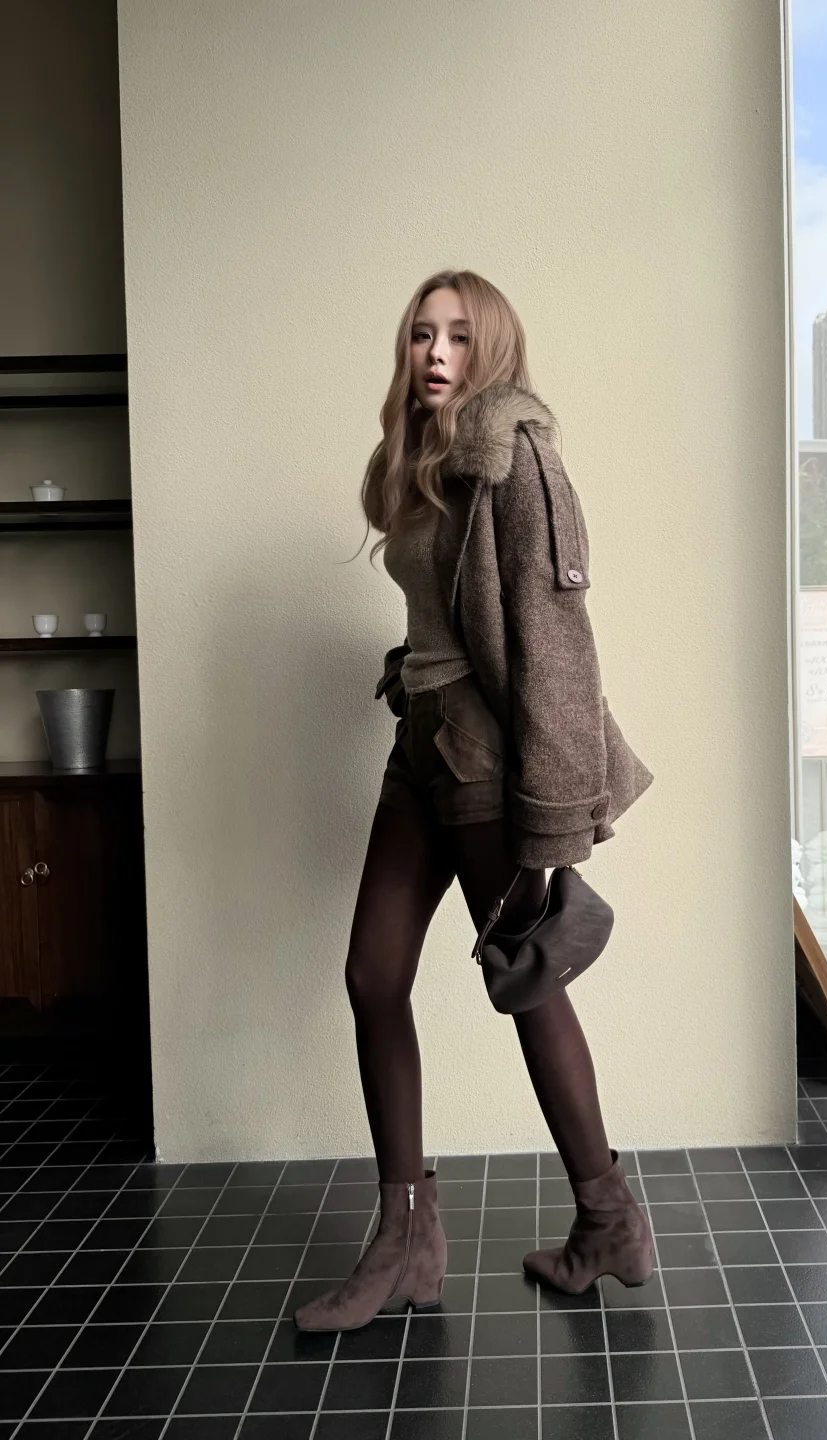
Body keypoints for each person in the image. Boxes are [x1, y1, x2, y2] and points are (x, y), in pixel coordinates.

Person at [294, 269, 655, 1332]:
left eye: (457, 335)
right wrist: (410, 670)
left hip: (486, 766)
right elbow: (446, 608)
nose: (435, 353)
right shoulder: (427, 461)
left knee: (527, 980)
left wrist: (552, 816)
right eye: (421, 335)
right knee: (373, 974)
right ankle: (408, 1239)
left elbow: (554, 643)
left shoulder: (518, 457)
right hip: (421, 744)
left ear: (491, 346)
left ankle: (609, 1220)